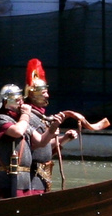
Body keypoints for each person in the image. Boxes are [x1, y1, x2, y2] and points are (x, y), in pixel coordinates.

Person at [0, 82, 62, 198]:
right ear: (6, 102)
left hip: (25, 178)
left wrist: (53, 127)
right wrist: (26, 114)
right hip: (9, 177)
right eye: (17, 100)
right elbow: (17, 132)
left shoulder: (21, 122)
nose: (21, 103)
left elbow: (41, 141)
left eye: (21, 99)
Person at [22, 60, 78, 193]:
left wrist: (65, 138)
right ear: (32, 94)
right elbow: (37, 144)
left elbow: (45, 144)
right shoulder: (27, 116)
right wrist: (53, 129)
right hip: (31, 173)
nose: (47, 95)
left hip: (42, 174)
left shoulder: (40, 117)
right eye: (43, 93)